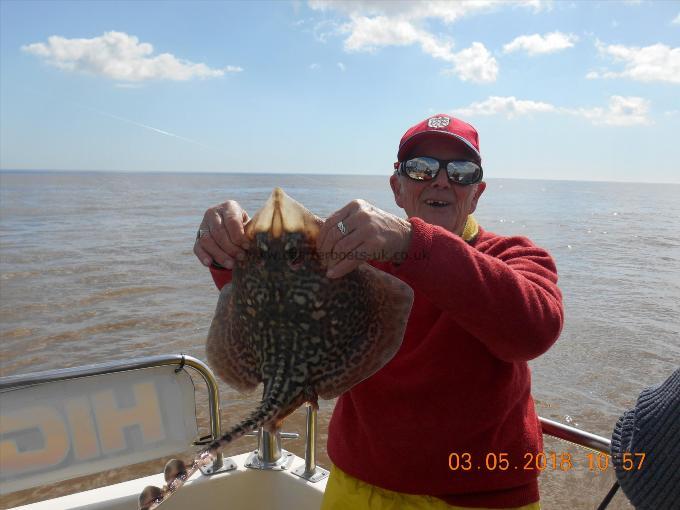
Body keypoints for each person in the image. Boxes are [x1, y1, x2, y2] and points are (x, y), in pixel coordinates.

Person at [194, 114, 564, 509]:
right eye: (420, 169)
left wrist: (413, 244)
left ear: (476, 192)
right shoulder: (358, 260)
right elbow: (272, 301)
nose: (440, 181)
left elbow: (533, 330)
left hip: (481, 497)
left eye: (461, 171)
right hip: (357, 485)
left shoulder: (511, 257)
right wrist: (227, 250)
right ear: (397, 188)